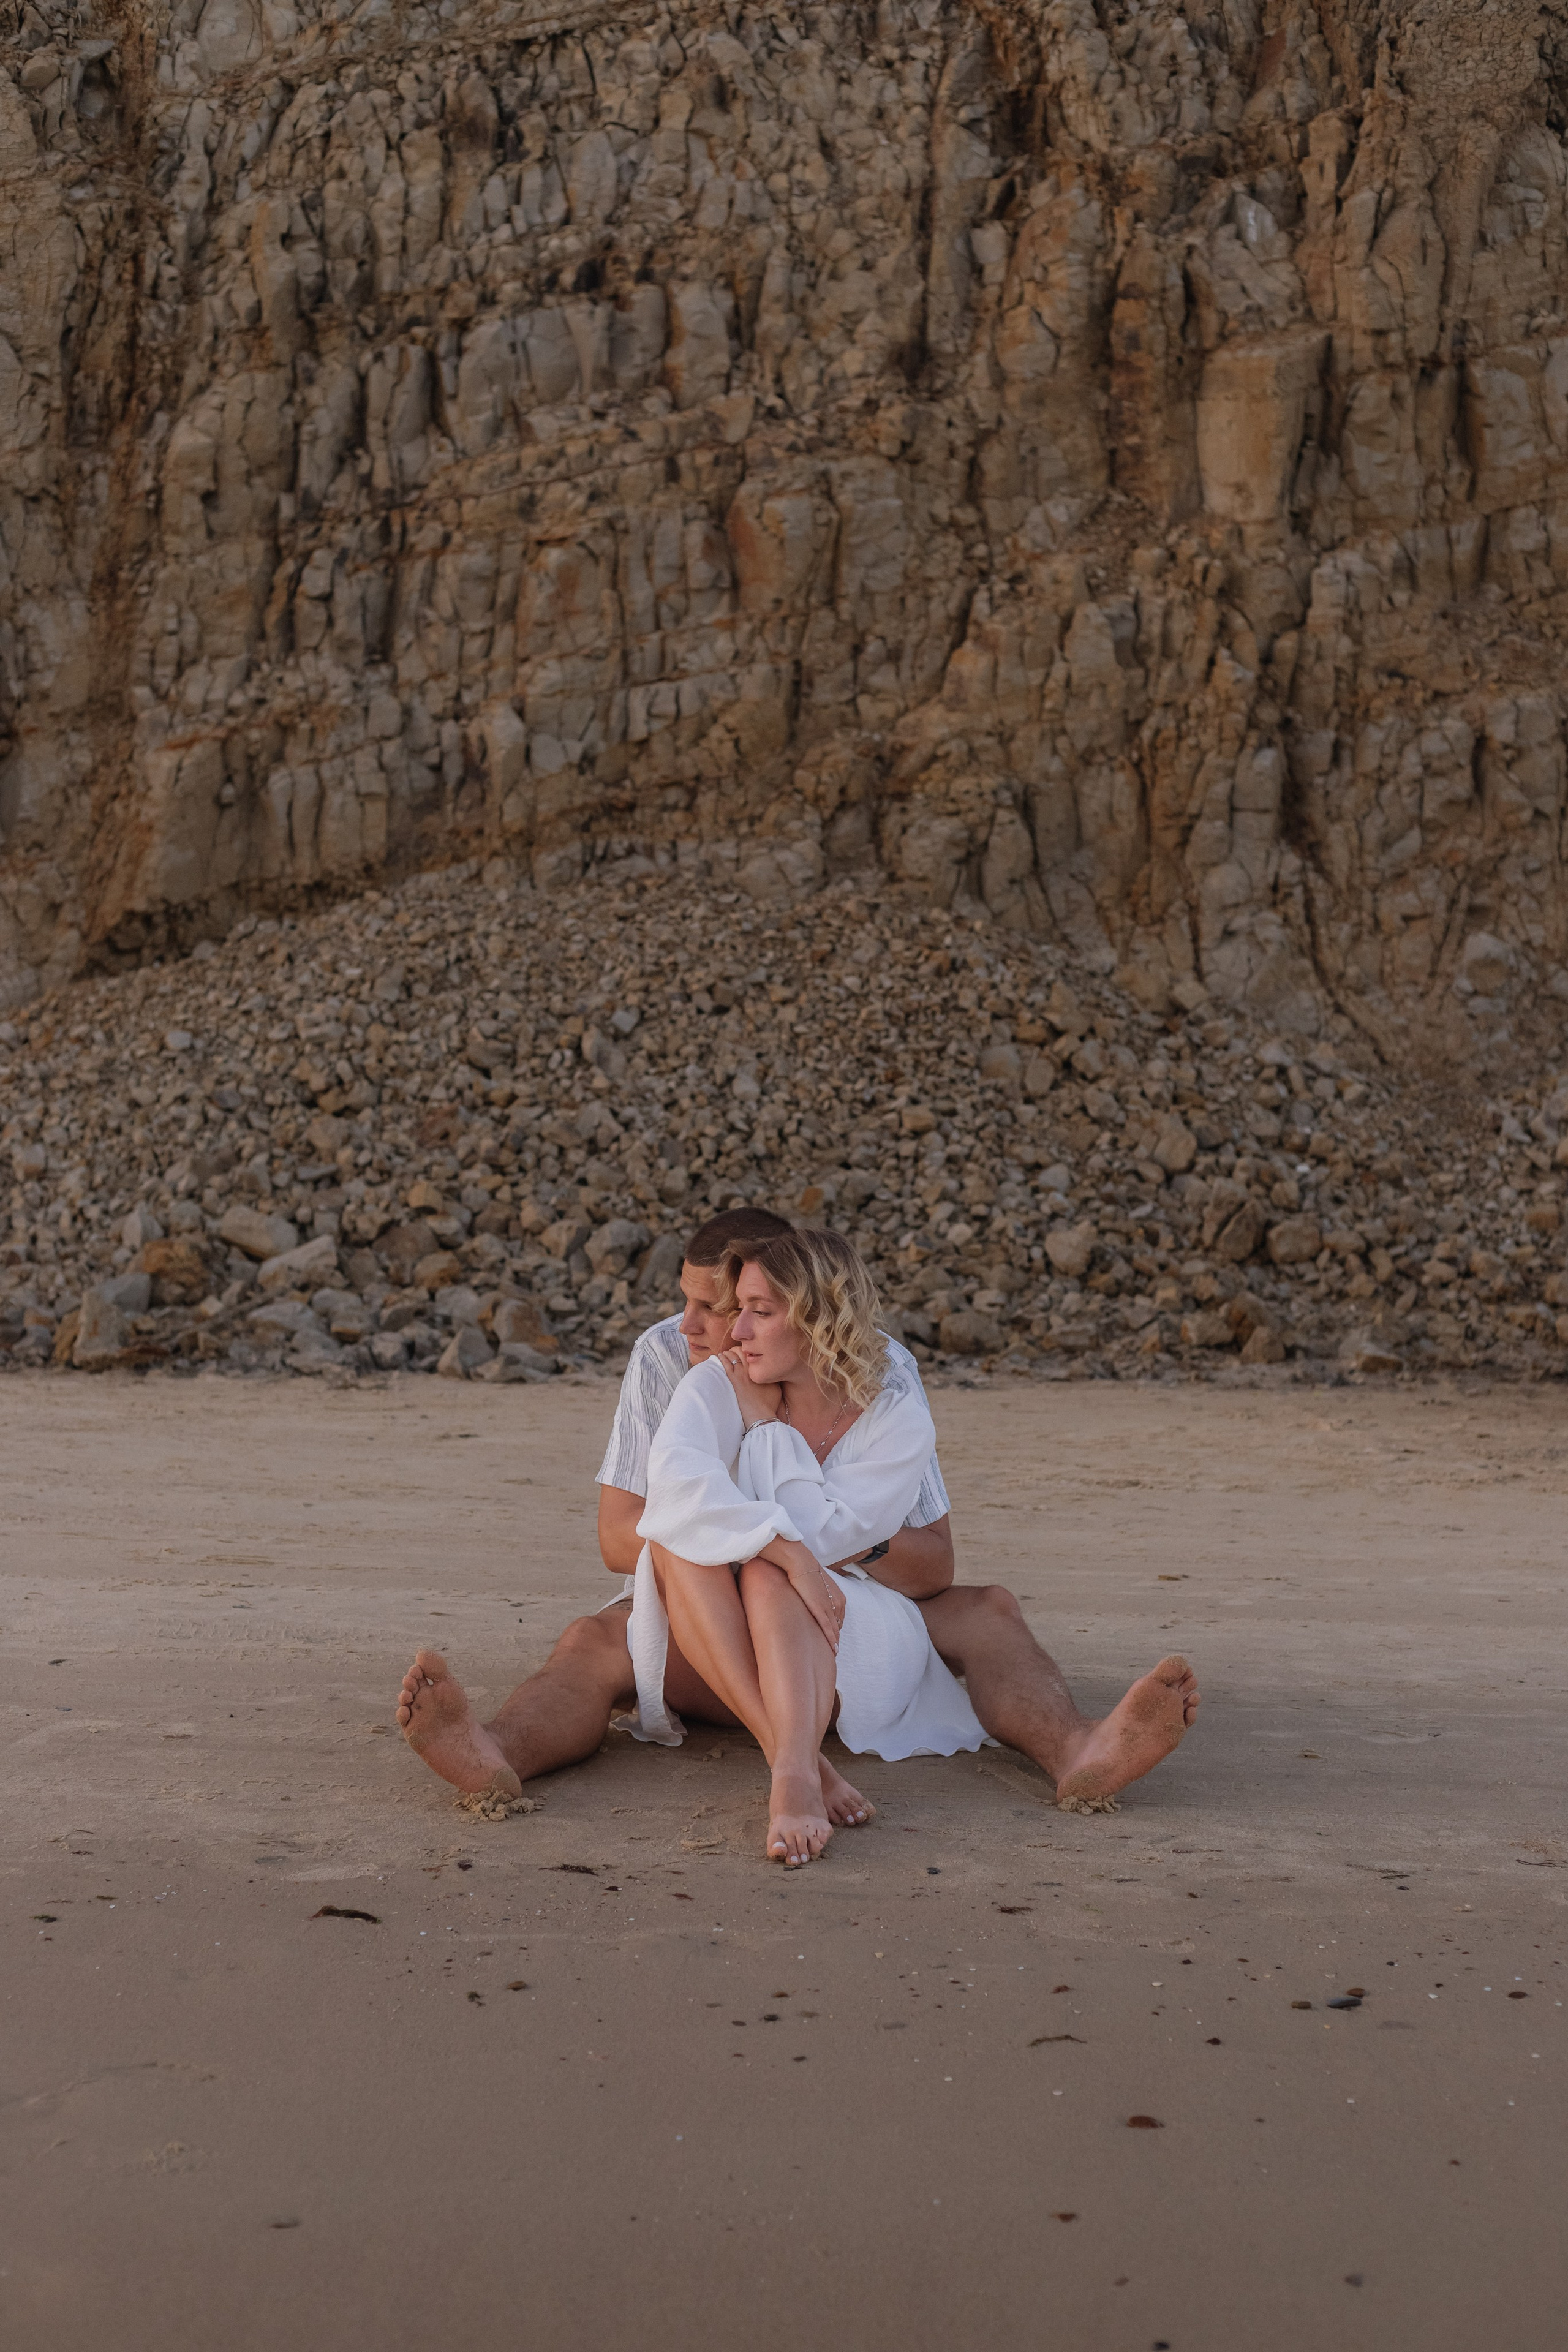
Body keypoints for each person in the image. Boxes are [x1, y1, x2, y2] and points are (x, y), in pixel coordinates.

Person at [395, 1210, 1199, 1819]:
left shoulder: (884, 1374)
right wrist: (768, 1546)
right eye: (700, 1305)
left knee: (989, 1611)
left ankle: (1079, 1750)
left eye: (724, 1307)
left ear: (797, 1310)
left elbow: (932, 1562)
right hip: (708, 1612)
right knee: (595, 1640)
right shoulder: (669, 1357)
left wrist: (821, 1541)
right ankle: (492, 1752)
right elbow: (618, 1537)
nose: (700, 1328)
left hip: (846, 1611)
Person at [636, 1226, 995, 1863]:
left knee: (767, 1575)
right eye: (738, 1309)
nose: (735, 1331)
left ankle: (793, 1764)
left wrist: (764, 1430)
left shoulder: (896, 1418)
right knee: (676, 1546)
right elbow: (673, 1486)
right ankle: (793, 1763)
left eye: (761, 1313)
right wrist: (789, 1551)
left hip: (850, 1615)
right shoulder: (721, 1381)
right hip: (729, 1616)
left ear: (819, 1318)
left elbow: (830, 1536)